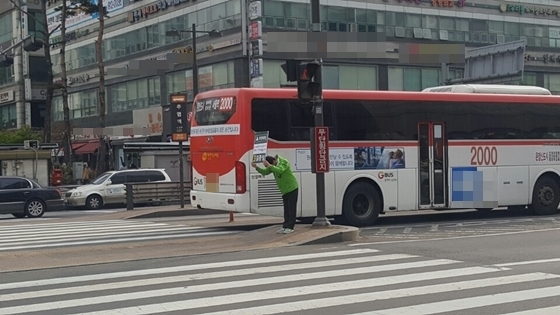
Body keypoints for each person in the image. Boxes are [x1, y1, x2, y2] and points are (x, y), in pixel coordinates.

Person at [251, 155, 299, 234]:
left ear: (274, 161)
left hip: (292, 188)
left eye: (271, 165)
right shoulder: (273, 166)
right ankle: (285, 226)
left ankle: (291, 227)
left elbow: (280, 170)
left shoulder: (284, 162)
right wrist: (256, 167)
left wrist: (269, 166)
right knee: (286, 209)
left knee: (291, 209)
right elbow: (265, 172)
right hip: (284, 190)